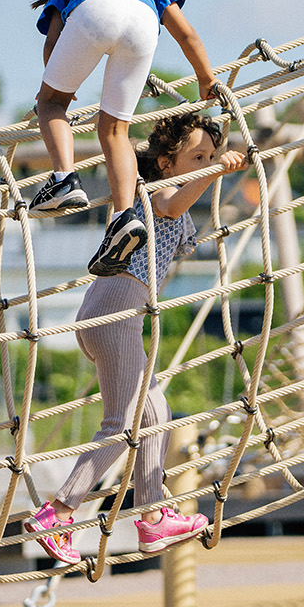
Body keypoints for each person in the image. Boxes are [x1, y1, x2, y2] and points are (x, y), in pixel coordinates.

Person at [24, 112, 243, 563]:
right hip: (114, 314)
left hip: (118, 316)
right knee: (120, 425)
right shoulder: (150, 191)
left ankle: (153, 517)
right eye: (196, 157)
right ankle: (59, 511)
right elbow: (173, 206)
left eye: (209, 155)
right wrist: (216, 171)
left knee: (156, 414)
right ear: (165, 163)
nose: (205, 162)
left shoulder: (177, 194)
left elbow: (181, 231)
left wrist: (222, 173)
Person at [28, 0, 219, 277]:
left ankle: (64, 179)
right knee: (116, 131)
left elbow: (53, 44)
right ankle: (123, 215)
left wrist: (62, 87)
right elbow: (187, 33)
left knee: (49, 104)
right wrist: (205, 78)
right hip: (144, 24)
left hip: (93, 13)